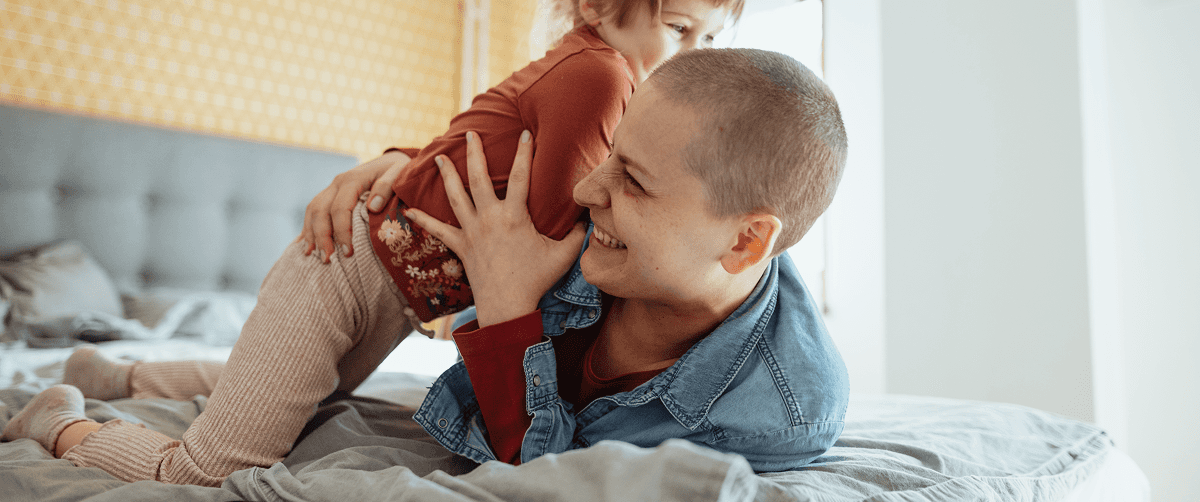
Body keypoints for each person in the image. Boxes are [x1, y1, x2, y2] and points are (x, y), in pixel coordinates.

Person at [4, 46, 849, 484]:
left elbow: (543, 473)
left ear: (746, 241)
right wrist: (399, 162)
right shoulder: (599, 237)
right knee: (284, 395)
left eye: (630, 179)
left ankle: (110, 383)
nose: (587, 186)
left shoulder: (774, 411)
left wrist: (513, 306)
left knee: (314, 388)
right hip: (344, 263)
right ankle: (74, 411)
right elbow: (478, 168)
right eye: (609, 154)